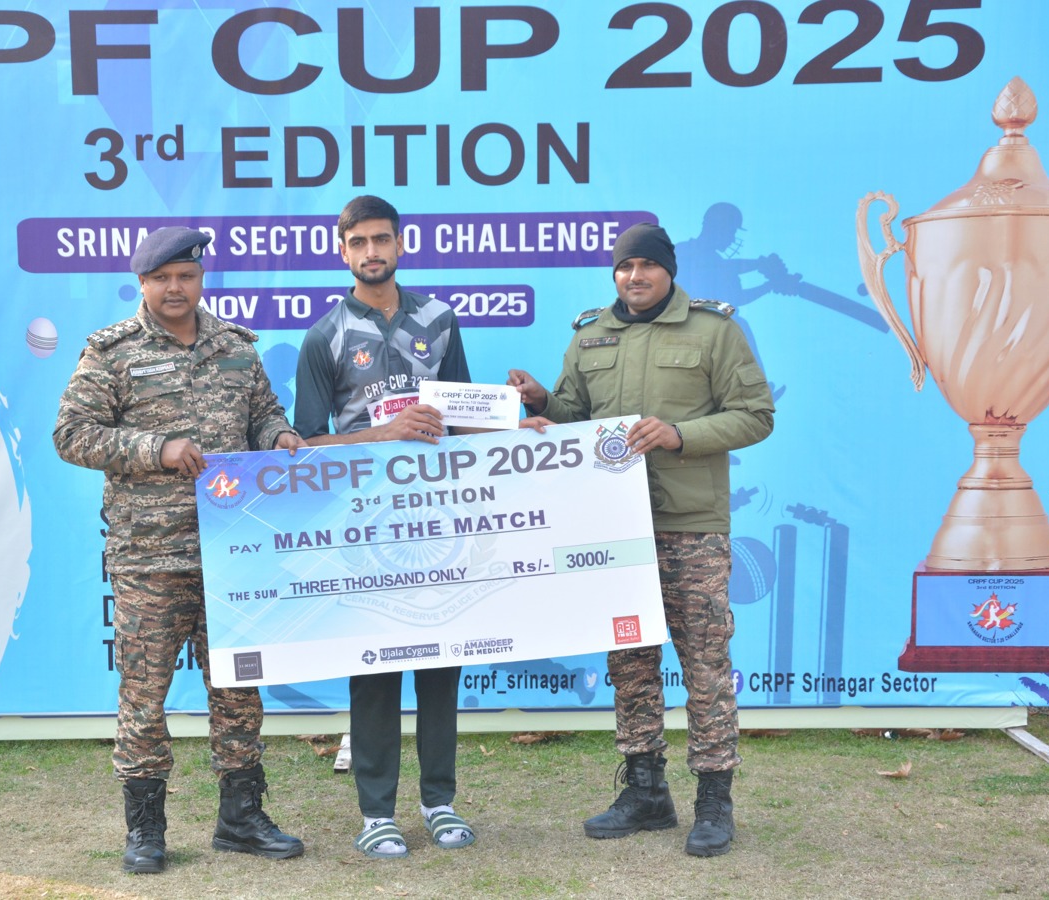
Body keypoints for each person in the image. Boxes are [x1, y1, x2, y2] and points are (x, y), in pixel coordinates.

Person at [508, 222, 774, 858]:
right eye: (625, 267)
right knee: (629, 662)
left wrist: (681, 435)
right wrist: (541, 404)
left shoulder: (714, 331)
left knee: (704, 663)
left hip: (690, 524)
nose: (635, 276)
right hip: (613, 527)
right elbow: (575, 418)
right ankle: (646, 791)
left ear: (668, 271)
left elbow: (757, 415)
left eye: (647, 266)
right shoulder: (590, 335)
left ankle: (714, 799)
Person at [53, 226, 306, 874]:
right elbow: (71, 434)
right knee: (144, 695)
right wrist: (154, 449)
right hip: (150, 558)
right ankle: (145, 830)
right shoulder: (112, 352)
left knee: (238, 689)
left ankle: (241, 818)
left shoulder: (235, 348)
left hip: (232, 551)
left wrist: (278, 436)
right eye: (162, 278)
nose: (175, 288)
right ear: (142, 283)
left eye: (185, 276)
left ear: (200, 278)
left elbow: (263, 414)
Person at [293, 195, 476, 859]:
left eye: (381, 239)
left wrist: (523, 426)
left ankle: (439, 802)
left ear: (401, 243)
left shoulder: (440, 320)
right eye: (359, 242)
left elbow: (465, 420)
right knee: (374, 668)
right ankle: (376, 813)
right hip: (365, 527)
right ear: (341, 251)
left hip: (437, 520)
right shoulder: (325, 336)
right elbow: (305, 445)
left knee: (440, 662)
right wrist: (384, 433)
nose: (371, 252)